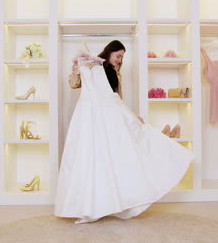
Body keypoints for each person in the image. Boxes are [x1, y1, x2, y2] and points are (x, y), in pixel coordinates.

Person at [54, 40, 194, 224]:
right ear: (109, 52)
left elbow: (114, 98)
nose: (120, 60)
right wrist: (75, 66)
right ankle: (98, 204)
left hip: (100, 115)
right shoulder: (93, 66)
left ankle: (101, 203)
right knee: (102, 158)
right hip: (93, 116)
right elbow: (76, 84)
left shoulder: (110, 72)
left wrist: (131, 114)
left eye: (122, 57)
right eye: (118, 56)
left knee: (107, 157)